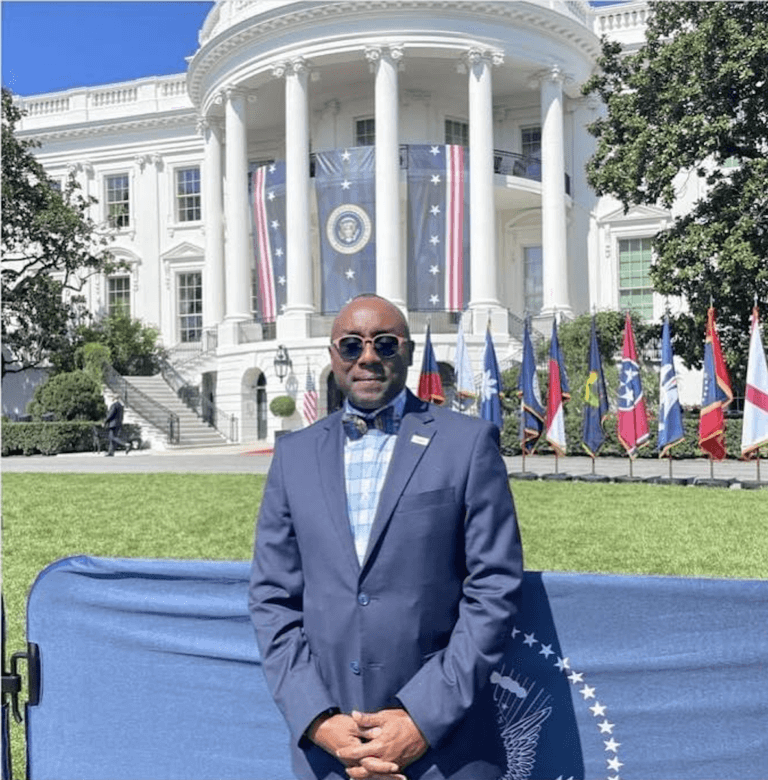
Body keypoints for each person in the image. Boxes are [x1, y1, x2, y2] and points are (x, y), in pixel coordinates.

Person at [249, 294, 523, 780]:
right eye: (351, 345)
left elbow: (493, 589)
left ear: (410, 352)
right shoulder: (294, 456)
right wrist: (317, 719)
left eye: (385, 344)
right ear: (334, 356)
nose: (368, 357)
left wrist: (422, 717)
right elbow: (273, 599)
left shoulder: (467, 444)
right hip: (332, 753)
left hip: (444, 749)